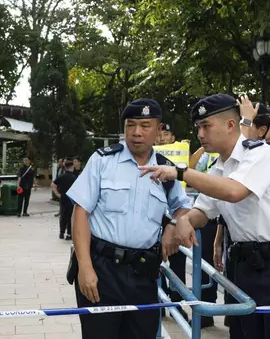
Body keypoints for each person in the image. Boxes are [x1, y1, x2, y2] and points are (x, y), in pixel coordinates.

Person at [139, 93, 270, 339]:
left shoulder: (259, 154)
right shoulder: (221, 166)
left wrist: (180, 172)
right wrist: (182, 220)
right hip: (246, 266)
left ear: (231, 125)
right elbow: (203, 210)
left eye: (206, 126)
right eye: (198, 127)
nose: (200, 134)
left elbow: (234, 192)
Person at [66, 98, 191, 339]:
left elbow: (183, 208)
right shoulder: (103, 160)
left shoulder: (167, 170)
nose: (136, 132)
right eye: (130, 125)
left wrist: (173, 224)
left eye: (145, 125)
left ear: (158, 129)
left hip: (142, 274)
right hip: (102, 270)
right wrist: (85, 267)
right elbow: (80, 213)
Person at [51, 159, 77, 240]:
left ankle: (61, 232)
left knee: (63, 215)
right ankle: (69, 234)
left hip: (63, 198)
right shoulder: (74, 177)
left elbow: (53, 184)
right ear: (72, 166)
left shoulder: (61, 176)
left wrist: (57, 194)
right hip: (71, 198)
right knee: (70, 216)